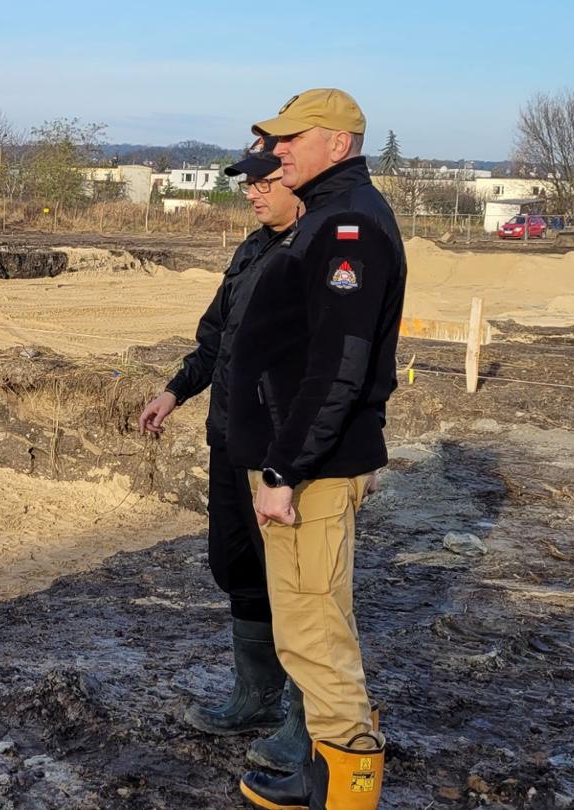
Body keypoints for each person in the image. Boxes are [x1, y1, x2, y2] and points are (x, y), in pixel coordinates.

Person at [226, 88, 405, 810]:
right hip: (297, 460)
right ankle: (318, 775)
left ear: (339, 142)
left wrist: (284, 469)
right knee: (311, 621)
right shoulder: (325, 217)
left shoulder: (349, 226)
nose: (275, 152)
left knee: (313, 631)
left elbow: (339, 365)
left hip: (310, 470)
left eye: (290, 139)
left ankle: (348, 792)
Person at [137, 138, 313, 773]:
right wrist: (174, 390)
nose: (253, 189)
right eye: (248, 180)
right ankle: (255, 697)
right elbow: (215, 338)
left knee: (296, 587)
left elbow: (336, 367)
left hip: (280, 451)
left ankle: (304, 719)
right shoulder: (251, 249)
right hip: (229, 438)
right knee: (236, 565)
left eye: (265, 178)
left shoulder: (315, 250)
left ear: (296, 178)